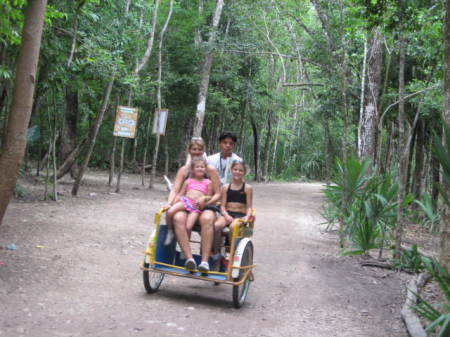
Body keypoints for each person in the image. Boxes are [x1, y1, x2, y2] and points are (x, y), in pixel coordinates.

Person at [165, 137, 221, 273]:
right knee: (178, 218)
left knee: (207, 219)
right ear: (189, 151)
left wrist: (206, 199)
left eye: (199, 150)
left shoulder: (210, 170)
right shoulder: (184, 170)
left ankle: (205, 261)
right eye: (194, 149)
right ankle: (188, 257)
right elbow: (175, 190)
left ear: (204, 151)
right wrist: (169, 204)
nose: (196, 152)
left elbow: (218, 193)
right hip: (187, 203)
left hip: (207, 205)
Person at [213, 160, 253, 253]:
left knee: (233, 227)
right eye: (235, 169)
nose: (237, 172)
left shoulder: (247, 188)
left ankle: (232, 251)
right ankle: (216, 252)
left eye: (240, 170)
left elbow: (249, 207)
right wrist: (226, 215)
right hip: (226, 214)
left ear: (244, 172)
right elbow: (222, 206)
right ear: (231, 170)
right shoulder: (225, 187)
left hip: (240, 216)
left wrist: (247, 217)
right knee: (216, 225)